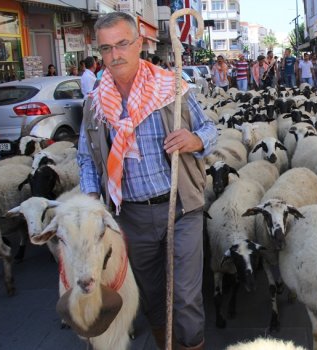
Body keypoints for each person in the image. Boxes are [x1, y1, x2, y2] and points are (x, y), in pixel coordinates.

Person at [77, 12, 216, 350]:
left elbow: (210, 131)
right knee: (151, 295)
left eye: (123, 44)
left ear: (139, 43)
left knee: (184, 295)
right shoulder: (96, 104)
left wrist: (193, 141)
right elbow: (85, 156)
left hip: (179, 207)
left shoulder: (171, 88)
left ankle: (190, 344)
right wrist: (92, 199)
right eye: (106, 48)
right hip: (130, 216)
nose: (115, 55)